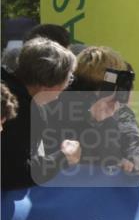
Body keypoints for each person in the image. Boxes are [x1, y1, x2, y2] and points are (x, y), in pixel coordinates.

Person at [46, 46, 139, 177]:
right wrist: (91, 118)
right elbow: (55, 149)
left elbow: (138, 156)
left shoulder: (118, 110)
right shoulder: (58, 101)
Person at [0, 38, 81, 188]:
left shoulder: (11, 89)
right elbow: (15, 173)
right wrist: (64, 157)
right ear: (47, 85)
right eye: (68, 79)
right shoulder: (18, 112)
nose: (65, 87)